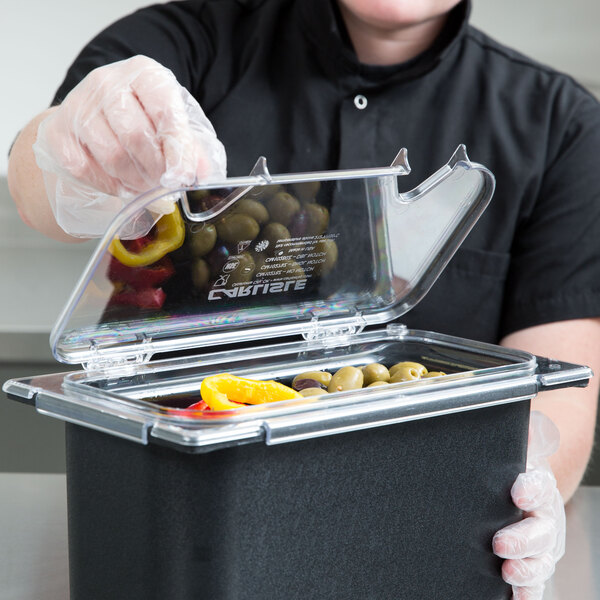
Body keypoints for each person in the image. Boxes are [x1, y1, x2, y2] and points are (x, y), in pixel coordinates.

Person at [7, 0, 600, 597]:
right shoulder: (188, 40)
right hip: (187, 527)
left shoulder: (562, 123)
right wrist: (66, 149)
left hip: (416, 539)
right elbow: (36, 183)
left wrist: (528, 475)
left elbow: (562, 403)